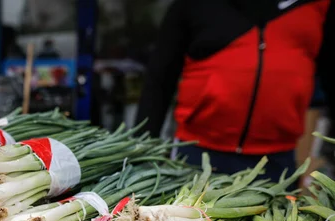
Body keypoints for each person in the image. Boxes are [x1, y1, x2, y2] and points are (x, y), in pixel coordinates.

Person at [135, 0, 334, 182]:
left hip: (277, 158)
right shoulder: (193, 4)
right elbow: (159, 78)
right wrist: (142, 154)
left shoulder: (317, 5)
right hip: (198, 150)